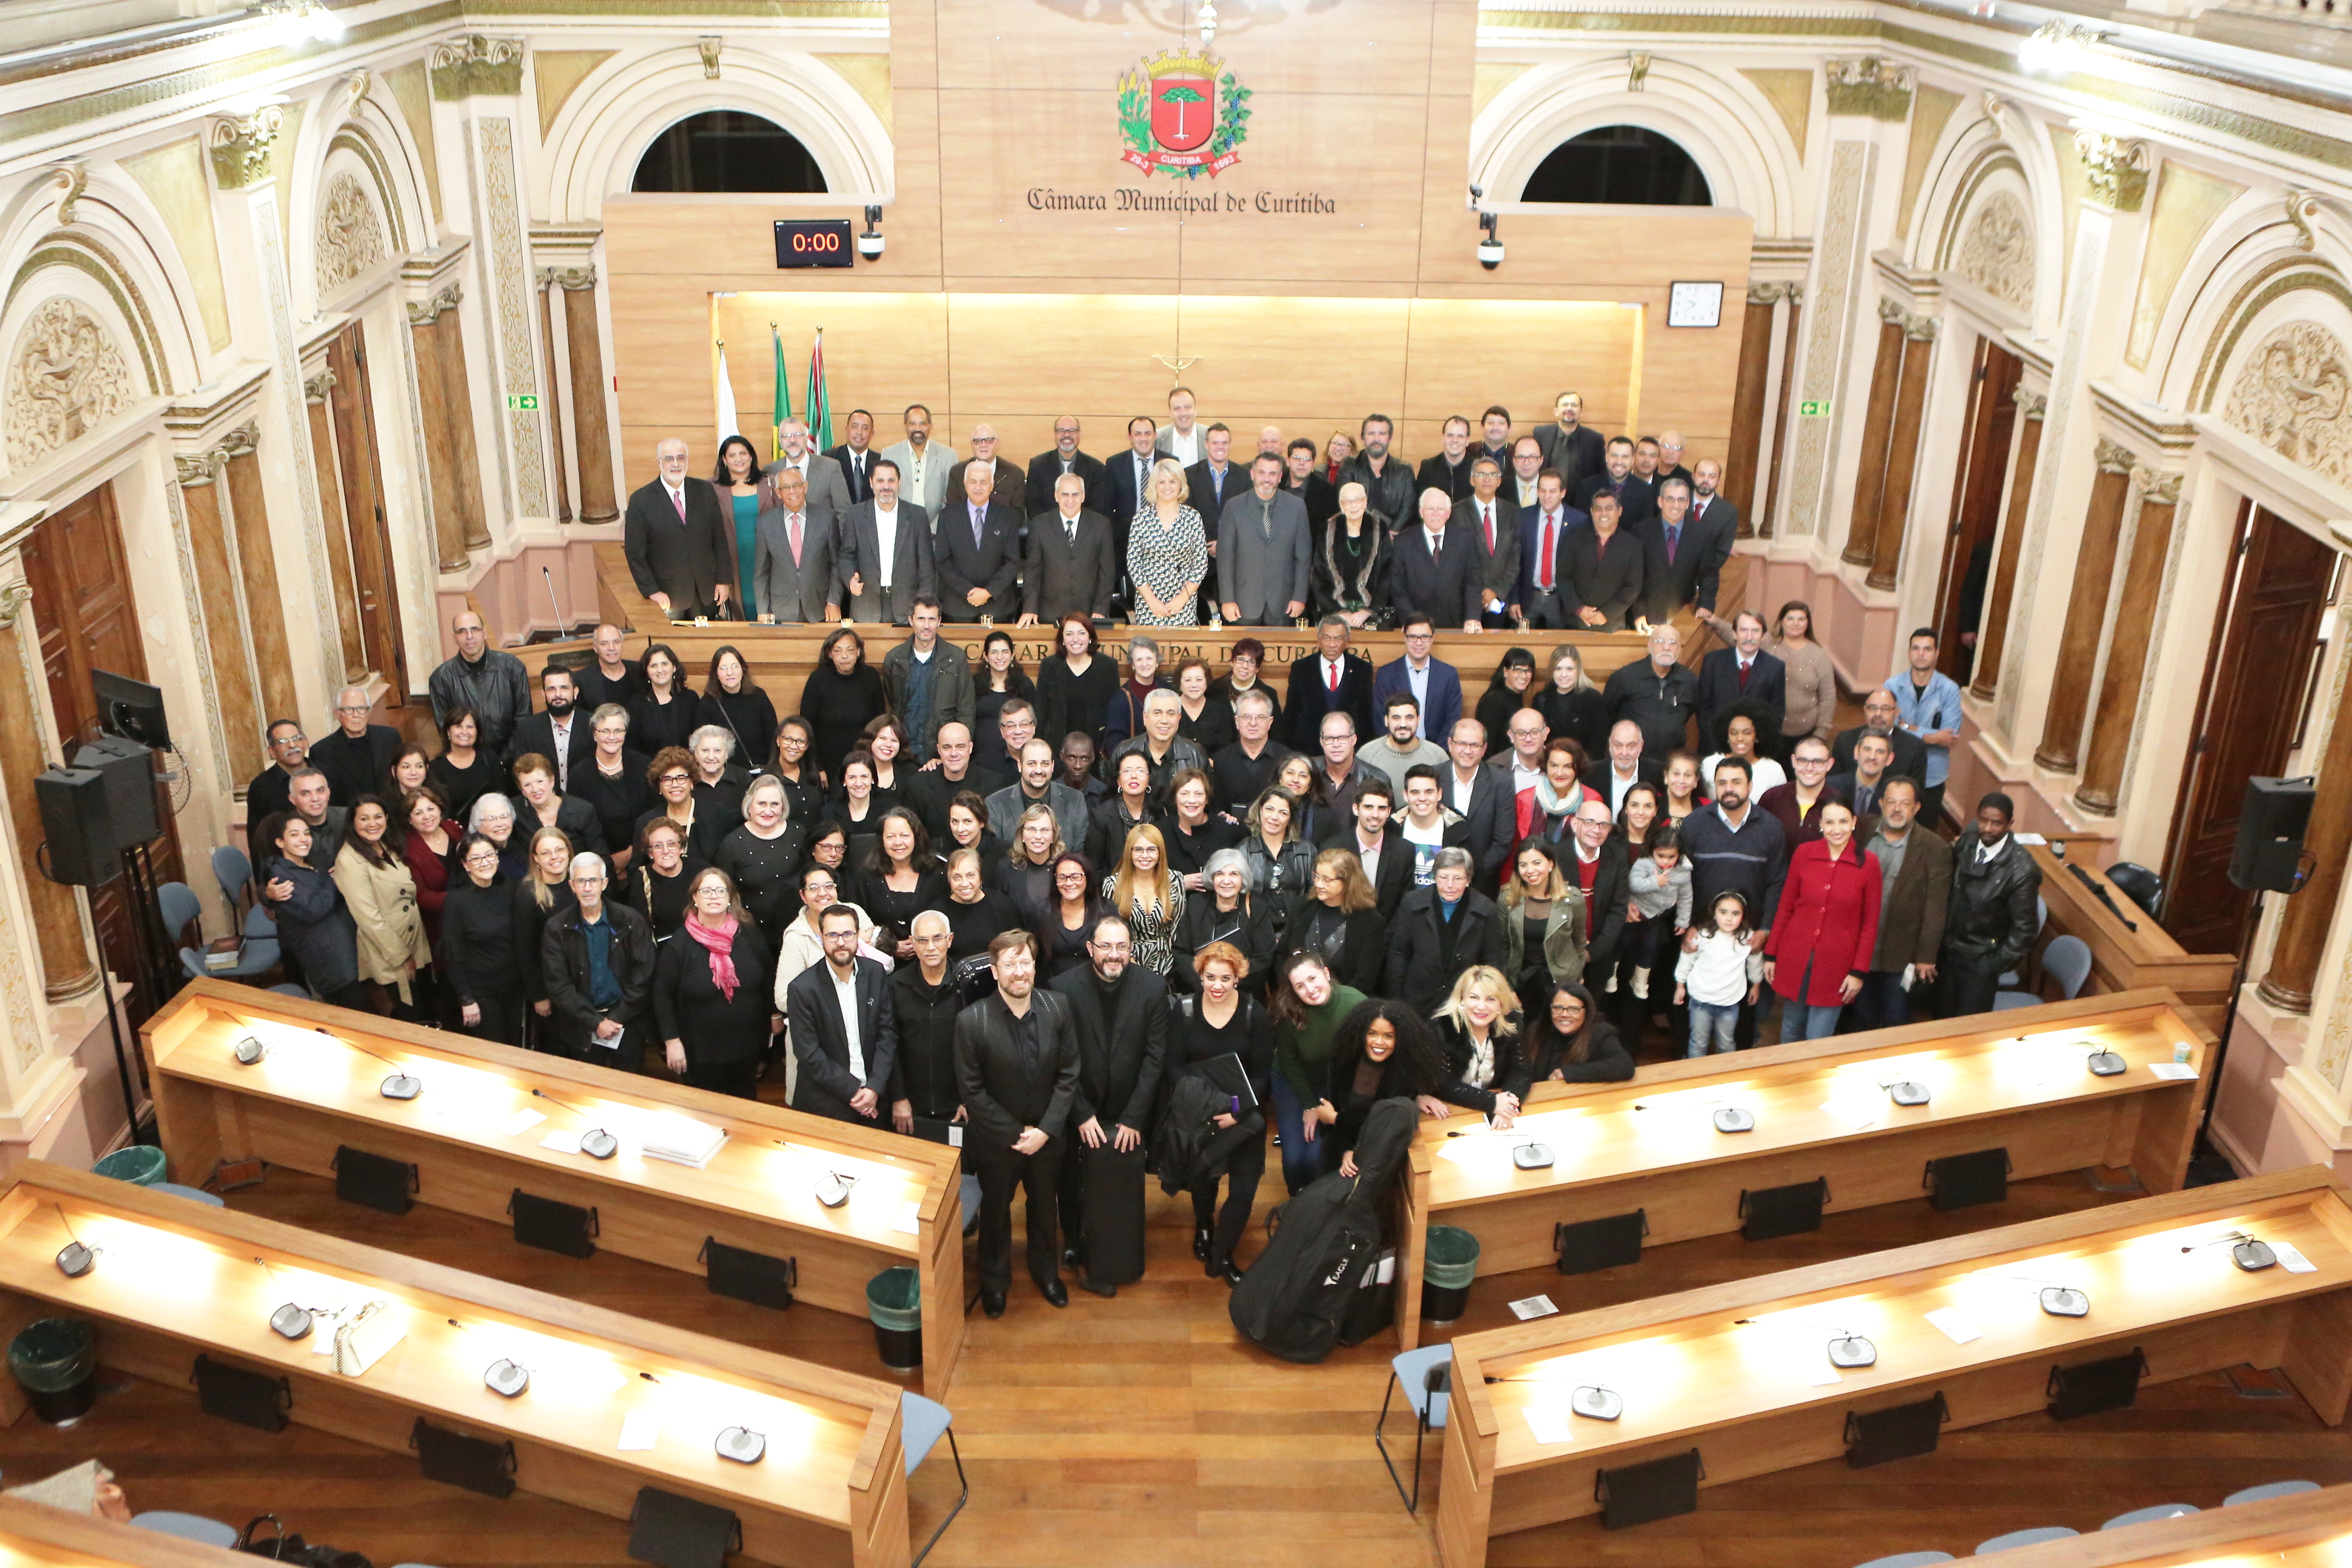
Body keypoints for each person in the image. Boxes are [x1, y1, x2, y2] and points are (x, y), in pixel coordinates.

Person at [956, 930, 1080, 1316]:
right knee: (996, 1211)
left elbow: (1070, 1072)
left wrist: (1045, 1130)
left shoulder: (1058, 1007)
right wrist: (1015, 1135)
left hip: (1048, 1137)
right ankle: (994, 1281)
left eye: (1024, 962)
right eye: (1009, 964)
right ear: (995, 972)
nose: (1019, 971)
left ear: (1034, 965)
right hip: (997, 1142)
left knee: (1045, 1207)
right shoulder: (970, 1021)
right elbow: (972, 1092)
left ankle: (1046, 1272)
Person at [1047, 914, 1168, 1296]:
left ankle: (1114, 1246)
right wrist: (1081, 1113)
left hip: (1129, 1107)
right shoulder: (1062, 988)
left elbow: (1155, 1059)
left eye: (1121, 947)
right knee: (1069, 1177)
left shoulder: (1153, 987)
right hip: (1077, 1105)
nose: (1113, 955)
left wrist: (1134, 1117)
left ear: (1131, 949)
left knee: (1118, 1182)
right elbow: (1061, 1060)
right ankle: (1072, 1239)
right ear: (1090, 949)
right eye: (1106, 947)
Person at [1170, 941, 1271, 1285]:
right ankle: (1203, 1224)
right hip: (1201, 1112)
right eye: (1210, 977)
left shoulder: (1253, 1013)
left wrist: (1236, 1111)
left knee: (1243, 1190)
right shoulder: (1182, 1010)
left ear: (1238, 978)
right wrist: (1206, 1107)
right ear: (1199, 976)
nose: (1217, 986)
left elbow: (1261, 1074)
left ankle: (1223, 1253)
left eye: (1225, 979)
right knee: (1204, 1180)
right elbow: (1173, 1067)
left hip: (1242, 1115)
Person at [1763, 798, 1881, 1041]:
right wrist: (1771, 954)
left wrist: (1858, 972)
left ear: (1854, 823)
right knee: (1791, 1027)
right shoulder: (1804, 854)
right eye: (1829, 822)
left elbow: (1870, 924)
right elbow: (1785, 907)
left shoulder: (1869, 863)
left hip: (1838, 964)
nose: (1836, 829)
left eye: (1843, 822)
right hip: (1796, 955)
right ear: (1820, 824)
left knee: (1819, 1036)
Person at [655, 867, 777, 1099]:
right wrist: (672, 1041)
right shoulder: (679, 946)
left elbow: (768, 976)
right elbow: (662, 996)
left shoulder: (749, 933)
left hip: (747, 1045)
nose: (714, 896)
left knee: (745, 1108)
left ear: (730, 897)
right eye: (707, 891)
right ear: (695, 898)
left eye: (720, 891)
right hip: (700, 1051)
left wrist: (774, 1015)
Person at [1302, 999, 1451, 1176]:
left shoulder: (1405, 1073)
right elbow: (1331, 1110)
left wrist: (1336, 1119)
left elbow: (1381, 1128)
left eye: (1388, 1036)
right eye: (1372, 1034)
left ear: (1400, 1039)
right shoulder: (1343, 1060)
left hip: (1376, 1151)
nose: (1379, 1042)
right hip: (1340, 1142)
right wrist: (1346, 1150)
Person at [1852, 775, 1952, 1032]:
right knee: (1860, 1015)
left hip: (1901, 952)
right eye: (1892, 802)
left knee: (1896, 1017)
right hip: (1858, 947)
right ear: (1881, 803)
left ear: (1917, 808)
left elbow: (1936, 907)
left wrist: (1925, 957)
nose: (1897, 810)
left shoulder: (1935, 848)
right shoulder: (1860, 830)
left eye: (1905, 804)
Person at [786, 904, 898, 1124]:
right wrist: (856, 1092)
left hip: (875, 1097)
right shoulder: (802, 989)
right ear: (821, 938)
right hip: (826, 1102)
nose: (841, 942)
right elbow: (809, 1054)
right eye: (833, 935)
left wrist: (874, 1088)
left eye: (848, 934)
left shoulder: (875, 974)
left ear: (858, 935)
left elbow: (888, 1035)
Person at [542, 852, 655, 1065]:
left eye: (593, 880)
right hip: (580, 1024)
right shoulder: (556, 928)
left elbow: (644, 975)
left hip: (626, 1022)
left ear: (604, 883)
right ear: (572, 886)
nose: (587, 888)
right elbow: (558, 986)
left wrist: (615, 1018)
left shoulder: (630, 921)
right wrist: (596, 1022)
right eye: (581, 881)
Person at [1938, 792, 2042, 1017]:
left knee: (1969, 1030)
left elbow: (2025, 930)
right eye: (1983, 820)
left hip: (1982, 960)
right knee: (1940, 1019)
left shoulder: (2022, 870)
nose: (1987, 828)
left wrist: (1993, 966)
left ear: (2009, 824)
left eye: (1997, 823)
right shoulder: (1967, 842)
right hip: (1949, 951)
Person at [331, 795, 433, 1015]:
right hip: (391, 948)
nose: (372, 824)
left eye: (378, 817)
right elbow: (369, 918)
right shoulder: (349, 860)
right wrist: (401, 956)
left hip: (414, 938)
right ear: (352, 823)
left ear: (386, 818)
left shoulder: (387, 844)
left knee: (427, 1006)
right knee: (412, 1015)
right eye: (364, 819)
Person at [258, 812, 362, 1006]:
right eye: (295, 835)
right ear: (280, 842)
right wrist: (334, 880)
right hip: (331, 962)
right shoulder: (280, 875)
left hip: (343, 950)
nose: (304, 839)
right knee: (354, 1017)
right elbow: (314, 909)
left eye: (306, 833)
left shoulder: (307, 861)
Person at [1385, 847, 1504, 1017]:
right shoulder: (1412, 903)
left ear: (1468, 880)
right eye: (1444, 877)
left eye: (1457, 878)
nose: (1450, 885)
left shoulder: (1487, 910)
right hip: (1417, 1001)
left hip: (1465, 1004)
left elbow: (1492, 961)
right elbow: (1399, 954)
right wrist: (1396, 1002)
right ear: (1435, 877)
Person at [624, 437, 731, 619]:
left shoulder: (705, 490)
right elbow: (635, 554)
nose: (676, 464)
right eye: (669, 459)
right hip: (667, 597)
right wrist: (652, 591)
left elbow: (719, 540)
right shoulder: (641, 500)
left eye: (681, 458)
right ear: (659, 463)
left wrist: (723, 581)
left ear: (687, 460)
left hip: (706, 593)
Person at [441, 834, 522, 1045]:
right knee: (495, 1053)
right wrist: (467, 1000)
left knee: (518, 1049)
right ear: (466, 865)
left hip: (515, 988)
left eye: (489, 855)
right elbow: (453, 954)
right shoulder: (456, 902)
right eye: (476, 858)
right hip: (482, 993)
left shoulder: (511, 890)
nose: (485, 862)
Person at [888, 910, 964, 1133]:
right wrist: (898, 1097)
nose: (930, 947)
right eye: (922, 940)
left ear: (950, 940)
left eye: (937, 939)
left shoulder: (967, 986)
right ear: (912, 943)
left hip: (958, 1107)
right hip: (909, 1108)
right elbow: (888, 1048)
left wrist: (969, 1100)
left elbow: (980, 1051)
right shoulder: (895, 986)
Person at [837, 457, 937, 624]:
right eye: (880, 481)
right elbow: (846, 556)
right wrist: (850, 580)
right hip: (866, 603)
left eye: (891, 481)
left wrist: (923, 603)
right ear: (871, 483)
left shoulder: (917, 516)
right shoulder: (856, 515)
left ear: (899, 482)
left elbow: (927, 565)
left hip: (908, 606)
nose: (886, 486)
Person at [1218, 451, 1311, 626]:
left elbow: (1303, 558)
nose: (1267, 479)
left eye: (1272, 473)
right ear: (1253, 474)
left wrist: (1299, 597)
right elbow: (1225, 558)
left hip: (1284, 603)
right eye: (1262, 473)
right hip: (1243, 602)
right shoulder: (1234, 506)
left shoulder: (1297, 507)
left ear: (1280, 477)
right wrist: (1227, 600)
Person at [1169, 848, 1278, 998]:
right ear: (1212, 878)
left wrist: (1228, 985)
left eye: (1234, 874)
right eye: (1220, 874)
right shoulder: (1196, 904)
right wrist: (1207, 984)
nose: (1227, 881)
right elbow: (1181, 952)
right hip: (1199, 991)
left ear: (1243, 879)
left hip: (1243, 993)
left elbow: (1263, 958)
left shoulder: (1257, 907)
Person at [1635, 475, 1735, 631]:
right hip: (1646, 618)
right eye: (1670, 499)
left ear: (1688, 503)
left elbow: (1708, 574)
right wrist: (1638, 613)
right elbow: (1633, 578)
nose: (1676, 505)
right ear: (1660, 502)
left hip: (1684, 615)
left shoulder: (1702, 534)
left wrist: (1705, 604)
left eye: (1681, 500)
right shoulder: (1640, 532)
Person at [1432, 967, 1529, 1125]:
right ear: (1462, 999)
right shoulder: (1442, 1028)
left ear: (1500, 1003)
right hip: (1450, 1112)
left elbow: (1521, 1071)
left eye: (1491, 999)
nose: (1481, 1006)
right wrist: (1493, 1102)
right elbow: (1443, 1084)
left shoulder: (1511, 1025)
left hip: (1490, 1110)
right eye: (1474, 998)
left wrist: (1508, 1105)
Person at [429, 610, 532, 758]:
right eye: (462, 631)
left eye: (474, 630)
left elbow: (524, 720)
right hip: (466, 762)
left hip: (511, 761)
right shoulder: (441, 679)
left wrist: (503, 760)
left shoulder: (513, 668)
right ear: (455, 638)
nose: (469, 636)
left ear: (484, 633)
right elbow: (446, 729)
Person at [1022, 471, 1117, 626]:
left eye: (1075, 494)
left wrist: (1100, 608)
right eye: (1065, 494)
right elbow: (1033, 571)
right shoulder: (1040, 525)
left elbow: (1107, 572)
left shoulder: (1101, 525)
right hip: (1050, 614)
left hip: (1089, 614)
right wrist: (1030, 608)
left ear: (1083, 496)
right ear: (1056, 496)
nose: (1070, 500)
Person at [753, 465, 844, 626]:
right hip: (781, 611)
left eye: (796, 485)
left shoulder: (827, 518)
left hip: (820, 609)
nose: (792, 492)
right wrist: (762, 611)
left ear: (805, 487)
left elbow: (836, 565)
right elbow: (762, 572)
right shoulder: (765, 523)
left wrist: (833, 601)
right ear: (778, 493)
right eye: (786, 488)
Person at [1890, 628, 1965, 824]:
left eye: (1927, 649)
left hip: (1932, 775)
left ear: (1937, 653)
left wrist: (1906, 727)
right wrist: (1932, 737)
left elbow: (1948, 737)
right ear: (1909, 652)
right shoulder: (1892, 685)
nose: (1921, 654)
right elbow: (1889, 729)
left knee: (1924, 834)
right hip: (1897, 769)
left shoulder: (1950, 690)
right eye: (1916, 648)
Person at [797, 627, 888, 789]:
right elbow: (807, 727)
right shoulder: (818, 679)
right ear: (830, 654)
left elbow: (879, 723)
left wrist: (877, 763)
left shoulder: (871, 677)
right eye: (838, 651)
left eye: (850, 650)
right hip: (828, 763)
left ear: (859, 652)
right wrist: (817, 767)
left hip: (864, 761)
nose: (844, 656)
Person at [1677, 891, 1765, 1057]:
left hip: (1729, 1004)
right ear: (1714, 913)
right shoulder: (1703, 934)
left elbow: (1755, 962)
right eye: (1723, 912)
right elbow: (1687, 958)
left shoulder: (1747, 938)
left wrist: (1756, 985)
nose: (1729, 918)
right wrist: (1680, 985)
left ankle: (1726, 1079)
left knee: (1726, 1043)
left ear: (1743, 916)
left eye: (1735, 914)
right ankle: (1695, 1078)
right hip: (1701, 1002)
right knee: (1698, 1042)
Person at [1500, 840, 1588, 1005]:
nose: (1530, 870)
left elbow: (1579, 943)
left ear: (1550, 864)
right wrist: (1506, 988)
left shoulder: (1573, 900)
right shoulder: (1507, 899)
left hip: (1561, 983)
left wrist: (1576, 975)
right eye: (1523, 865)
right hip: (1519, 982)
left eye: (1537, 863)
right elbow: (1502, 946)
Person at [1388, 487, 1485, 631]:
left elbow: (1473, 582)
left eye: (1440, 509)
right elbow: (1398, 586)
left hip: (1457, 624)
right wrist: (1410, 620)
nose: (1435, 513)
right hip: (1416, 627)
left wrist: (1473, 617)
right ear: (1421, 512)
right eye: (1430, 509)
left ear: (1449, 513)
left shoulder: (1465, 539)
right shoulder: (1403, 541)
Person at [937, 459, 1023, 623]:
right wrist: (968, 591)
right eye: (973, 482)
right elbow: (942, 561)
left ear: (992, 485)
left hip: (998, 605)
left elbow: (1012, 561)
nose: (978, 487)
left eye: (983, 482)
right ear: (965, 484)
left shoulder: (1008, 516)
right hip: (958, 605)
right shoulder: (948, 516)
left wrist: (988, 592)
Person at [571, 706, 653, 874]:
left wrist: (631, 854)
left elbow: (654, 815)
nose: (612, 737)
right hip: (596, 867)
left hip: (643, 860)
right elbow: (577, 827)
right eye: (605, 731)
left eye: (618, 730)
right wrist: (608, 863)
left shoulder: (645, 767)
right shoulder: (579, 774)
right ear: (594, 733)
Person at [1604, 623, 1699, 764]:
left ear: (1679, 649)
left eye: (1673, 643)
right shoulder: (1625, 677)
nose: (1667, 647)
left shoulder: (1689, 680)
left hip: (1670, 764)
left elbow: (1689, 712)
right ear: (1650, 646)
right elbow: (1608, 714)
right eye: (1660, 641)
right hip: (1632, 761)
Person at [1129, 458, 1208, 627]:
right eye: (1162, 482)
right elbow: (1134, 563)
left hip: (1183, 602)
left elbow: (1201, 563)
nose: (1167, 487)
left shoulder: (1193, 518)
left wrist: (1182, 599)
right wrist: (1151, 601)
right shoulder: (1141, 518)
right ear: (1154, 486)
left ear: (1181, 485)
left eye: (1173, 481)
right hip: (1149, 603)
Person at [1321, 776, 1412, 914]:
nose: (1375, 815)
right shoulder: (1333, 849)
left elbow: (1405, 906)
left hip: (1387, 934)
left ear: (1389, 812)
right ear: (1356, 809)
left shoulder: (1404, 851)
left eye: (1382, 808)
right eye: (1369, 807)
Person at [1696, 610, 1787, 748]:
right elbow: (1703, 706)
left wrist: (1755, 745)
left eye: (1755, 631)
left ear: (1763, 636)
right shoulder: (1713, 661)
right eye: (1744, 630)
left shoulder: (1775, 667)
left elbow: (1776, 713)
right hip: (1715, 746)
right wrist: (1716, 741)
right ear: (1735, 633)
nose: (1749, 637)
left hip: (1755, 750)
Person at [1623, 824, 1692, 1005]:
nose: (1666, 862)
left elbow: (1686, 897)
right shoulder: (1644, 863)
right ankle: (1611, 975)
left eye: (1671, 857)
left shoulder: (1683, 871)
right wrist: (1656, 881)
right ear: (1653, 851)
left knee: (1650, 947)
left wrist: (1683, 920)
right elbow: (1633, 884)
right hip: (1636, 912)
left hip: (1656, 916)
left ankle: (1640, 981)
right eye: (1661, 856)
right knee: (1622, 944)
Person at [1284, 617, 1376, 754]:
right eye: (1327, 638)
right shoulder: (1301, 668)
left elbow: (1366, 716)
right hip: (1309, 751)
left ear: (1347, 641)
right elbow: (1291, 714)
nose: (1332, 644)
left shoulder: (1362, 670)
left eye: (1338, 639)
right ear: (1319, 639)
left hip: (1348, 752)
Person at [1103, 823, 1184, 977]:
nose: (1145, 856)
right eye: (1138, 850)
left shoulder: (1175, 880)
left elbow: (1178, 929)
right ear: (1129, 852)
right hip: (1127, 962)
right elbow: (1110, 931)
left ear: (1160, 852)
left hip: (1169, 963)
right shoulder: (1112, 885)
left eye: (1151, 849)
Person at [988, 737, 1091, 852]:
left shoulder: (1075, 800)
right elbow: (996, 856)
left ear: (1052, 766)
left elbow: (1080, 852)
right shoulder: (995, 804)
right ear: (1020, 765)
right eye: (1032, 764)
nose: (1038, 770)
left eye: (1045, 764)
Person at [1370, 618, 1462, 744]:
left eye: (1425, 637)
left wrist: (1437, 753)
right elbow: (1380, 717)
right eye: (1413, 637)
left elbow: (1452, 719)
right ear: (1405, 638)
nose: (1419, 643)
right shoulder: (1386, 674)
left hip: (1436, 754)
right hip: (1396, 751)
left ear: (1432, 639)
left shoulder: (1448, 675)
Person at [1111, 689, 1211, 804]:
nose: (1164, 720)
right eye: (1157, 713)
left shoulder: (1195, 754)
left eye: (1171, 714)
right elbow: (1111, 799)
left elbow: (1207, 802)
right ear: (1145, 717)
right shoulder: (1124, 751)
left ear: (1179, 718)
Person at [1311, 481, 1389, 630]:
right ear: (1341, 505)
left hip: (1371, 615)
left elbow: (1387, 572)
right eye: (1348, 501)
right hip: (1334, 613)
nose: (1354, 506)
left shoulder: (1380, 528)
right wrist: (1338, 612)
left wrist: (1367, 611)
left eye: (1358, 500)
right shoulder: (1327, 529)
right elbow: (1319, 576)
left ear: (1365, 502)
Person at [1563, 490, 1645, 631]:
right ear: (1592, 512)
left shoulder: (1633, 545)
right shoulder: (1574, 538)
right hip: (1574, 622)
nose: (1603, 513)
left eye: (1609, 508)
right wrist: (1578, 608)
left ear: (1619, 511)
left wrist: (1606, 614)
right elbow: (1564, 577)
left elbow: (1633, 587)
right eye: (1598, 509)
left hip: (1612, 625)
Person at [1769, 600, 1839, 762]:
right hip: (1771, 732)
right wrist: (1714, 621)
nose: (1796, 623)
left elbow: (1828, 696)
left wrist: (1821, 732)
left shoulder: (1819, 655)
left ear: (1808, 623)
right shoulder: (1769, 647)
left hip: (1807, 733)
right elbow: (1740, 639)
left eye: (1801, 619)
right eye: (1791, 618)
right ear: (1781, 621)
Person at [1240, 784, 1314, 936]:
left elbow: (1313, 896)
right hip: (1255, 934)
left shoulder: (1306, 851)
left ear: (1291, 818)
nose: (1274, 817)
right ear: (1260, 810)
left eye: (1283, 813)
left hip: (1296, 933)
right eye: (1269, 809)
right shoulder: (1242, 851)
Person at [1524, 981, 1633, 1082]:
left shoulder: (1600, 1032)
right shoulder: (1535, 1030)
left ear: (1586, 1012)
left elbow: (1624, 1065)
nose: (1565, 1014)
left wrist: (1567, 1073)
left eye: (1574, 1009)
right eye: (1558, 1008)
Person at [310, 687, 400, 807]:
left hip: (391, 812)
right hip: (349, 817)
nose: (356, 715)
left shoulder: (390, 737)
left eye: (361, 709)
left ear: (369, 711)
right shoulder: (322, 751)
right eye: (349, 709)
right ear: (337, 714)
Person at [510, 754, 604, 860]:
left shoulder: (582, 811)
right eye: (527, 785)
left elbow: (600, 857)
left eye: (540, 782)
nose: (535, 789)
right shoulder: (514, 812)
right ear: (522, 790)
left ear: (552, 781)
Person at [1833, 686, 1932, 786]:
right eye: (1872, 708)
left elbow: (1915, 794)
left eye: (1886, 709)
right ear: (1865, 710)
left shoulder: (1915, 748)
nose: (1878, 714)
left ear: (1897, 713)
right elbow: (1834, 784)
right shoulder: (1845, 740)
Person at [1165, 768, 1244, 890]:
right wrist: (1178, 883)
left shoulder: (1228, 830)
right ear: (1175, 798)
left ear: (1207, 799)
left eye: (1199, 794)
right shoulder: (1160, 831)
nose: (1192, 800)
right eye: (1184, 793)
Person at [973, 636, 1041, 774]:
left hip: (1015, 761)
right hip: (981, 760)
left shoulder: (1024, 685)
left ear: (1012, 655)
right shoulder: (974, 684)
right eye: (994, 652)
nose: (1000, 657)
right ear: (986, 657)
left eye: (1005, 652)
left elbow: (1034, 721)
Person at [1515, 738, 1598, 851]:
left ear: (1577, 769)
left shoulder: (1592, 800)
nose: (1559, 773)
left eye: (1568, 767)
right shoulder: (1524, 799)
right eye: (1554, 765)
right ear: (1545, 766)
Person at [1759, 735, 1842, 848]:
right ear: (1793, 761)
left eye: (1817, 762)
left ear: (1829, 764)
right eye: (1803, 761)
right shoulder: (1772, 798)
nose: (1809, 768)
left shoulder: (1839, 803)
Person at [714, 434, 766, 616]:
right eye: (732, 455)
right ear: (724, 460)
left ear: (751, 456)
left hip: (766, 560)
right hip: (731, 561)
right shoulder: (710, 489)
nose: (739, 459)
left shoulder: (770, 483)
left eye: (743, 453)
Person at [1359, 694, 1447, 796]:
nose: (1403, 724)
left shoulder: (1438, 756)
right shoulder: (1367, 754)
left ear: (1418, 720)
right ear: (1386, 721)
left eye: (1409, 718)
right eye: (1396, 718)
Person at [943, 845, 1018, 964]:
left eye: (970, 875)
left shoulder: (1002, 905)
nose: (964, 883)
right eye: (957, 877)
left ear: (981, 877)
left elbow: (1017, 948)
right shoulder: (939, 912)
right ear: (949, 880)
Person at [1534, 644, 1610, 760]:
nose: (1564, 675)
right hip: (1550, 765)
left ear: (1578, 670)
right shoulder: (1541, 699)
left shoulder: (1594, 700)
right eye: (1558, 669)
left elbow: (1598, 746)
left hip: (1583, 766)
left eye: (1569, 669)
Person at [1025, 415, 1111, 517]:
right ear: (1055, 434)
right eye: (1061, 430)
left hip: (1084, 530)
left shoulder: (1096, 468)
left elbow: (1097, 507)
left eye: (1072, 431)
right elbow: (1033, 505)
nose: (1067, 435)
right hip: (1046, 529)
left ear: (1079, 434)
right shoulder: (1038, 465)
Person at [400, 789, 455, 948]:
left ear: (439, 810)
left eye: (431, 809)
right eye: (418, 813)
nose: (426, 816)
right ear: (410, 820)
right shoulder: (408, 849)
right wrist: (459, 901)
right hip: (440, 926)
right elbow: (421, 896)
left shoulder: (453, 829)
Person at [1339, 413, 1415, 527]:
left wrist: (1390, 533)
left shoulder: (1404, 470)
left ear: (1390, 438)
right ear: (1363, 438)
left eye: (1382, 434)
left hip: (1394, 536)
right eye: (1371, 434)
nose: (1376, 439)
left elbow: (1408, 508)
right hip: (1359, 532)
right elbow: (1346, 502)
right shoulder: (1350, 465)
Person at [1702, 703, 1789, 803]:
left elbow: (1781, 806)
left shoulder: (1773, 770)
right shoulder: (1710, 763)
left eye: (1747, 733)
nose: (1740, 738)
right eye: (1734, 733)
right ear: (1726, 736)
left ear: (1757, 736)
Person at [1102, 635, 1168, 758]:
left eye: (1149, 658)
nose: (1145, 664)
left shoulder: (1168, 691)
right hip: (1134, 765)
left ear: (1157, 661)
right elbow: (1114, 744)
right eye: (1139, 660)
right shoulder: (1120, 699)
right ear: (1132, 665)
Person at [771, 414, 853, 514]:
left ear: (806, 438)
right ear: (780, 442)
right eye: (787, 436)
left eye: (797, 435)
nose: (792, 440)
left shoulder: (830, 467)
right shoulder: (771, 471)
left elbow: (844, 513)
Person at [880, 403, 954, 514]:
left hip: (936, 527)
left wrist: (935, 529)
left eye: (923, 424)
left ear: (931, 426)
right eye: (913, 424)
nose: (917, 429)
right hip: (900, 526)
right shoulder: (889, 454)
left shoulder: (948, 455)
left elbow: (950, 499)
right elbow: (885, 495)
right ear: (905, 425)